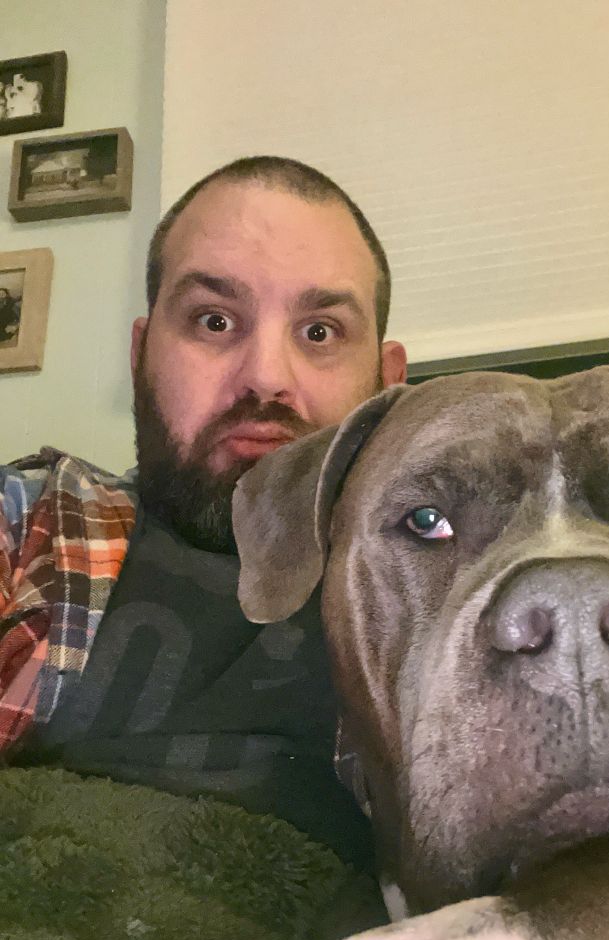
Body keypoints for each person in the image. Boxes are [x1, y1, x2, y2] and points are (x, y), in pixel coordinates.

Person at [0, 156, 407, 867]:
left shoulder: (455, 593)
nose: (267, 378)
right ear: (140, 354)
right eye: (214, 320)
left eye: (320, 332)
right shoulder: (29, 522)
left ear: (389, 381)